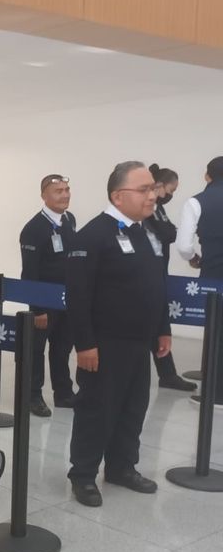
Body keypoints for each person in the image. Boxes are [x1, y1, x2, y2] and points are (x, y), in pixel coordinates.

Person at [66, 162, 171, 508]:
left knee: (132, 408)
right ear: (117, 195)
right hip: (104, 344)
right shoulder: (93, 236)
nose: (152, 196)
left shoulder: (147, 232)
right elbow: (78, 295)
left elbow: (157, 284)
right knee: (97, 410)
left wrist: (162, 328)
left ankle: (122, 467)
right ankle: (82, 475)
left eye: (152, 188)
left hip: (139, 342)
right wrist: (85, 344)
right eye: (143, 190)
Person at [19, 174, 77, 417]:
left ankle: (63, 393)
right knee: (36, 351)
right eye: (58, 191)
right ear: (44, 196)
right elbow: (29, 272)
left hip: (66, 300)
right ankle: (32, 396)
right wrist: (38, 308)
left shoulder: (69, 220)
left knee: (62, 348)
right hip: (44, 303)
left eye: (66, 190)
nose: (64, 195)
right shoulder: (33, 229)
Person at [176, 155, 223, 409]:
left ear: (207, 176)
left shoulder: (197, 201)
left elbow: (184, 245)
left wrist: (194, 258)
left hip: (214, 274)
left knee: (216, 329)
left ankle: (216, 393)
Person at [148, 164, 195, 392]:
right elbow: (167, 233)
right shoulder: (148, 207)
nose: (171, 195)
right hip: (148, 274)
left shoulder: (158, 208)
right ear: (159, 185)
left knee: (159, 326)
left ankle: (167, 374)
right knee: (154, 325)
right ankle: (167, 374)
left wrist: (169, 230)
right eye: (171, 189)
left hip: (159, 271)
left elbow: (169, 233)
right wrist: (168, 230)